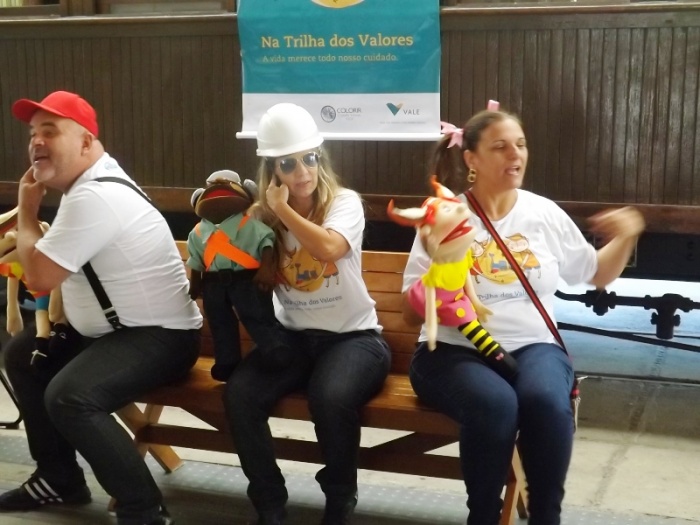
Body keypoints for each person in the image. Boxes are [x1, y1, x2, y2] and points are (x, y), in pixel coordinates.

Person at [403, 107, 645, 525]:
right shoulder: (446, 215)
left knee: (545, 402)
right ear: (472, 159)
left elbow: (595, 273)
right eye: (500, 147)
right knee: (495, 404)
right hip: (454, 351)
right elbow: (411, 312)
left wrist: (628, 233)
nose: (515, 154)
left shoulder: (542, 213)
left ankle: (545, 517)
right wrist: (438, 279)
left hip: (534, 346)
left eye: (521, 144)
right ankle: (483, 516)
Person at [0, 90, 202, 525]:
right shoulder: (86, 187)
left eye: (50, 131)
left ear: (86, 142)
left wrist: (27, 210)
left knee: (71, 397)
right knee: (22, 355)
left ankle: (143, 510)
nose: (36, 142)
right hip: (110, 332)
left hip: (161, 337)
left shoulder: (95, 196)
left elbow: (39, 277)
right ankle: (59, 478)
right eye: (32, 133)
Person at [223, 102, 391, 525]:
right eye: (288, 163)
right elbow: (227, 254)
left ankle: (339, 498)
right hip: (293, 338)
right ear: (272, 170)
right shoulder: (261, 219)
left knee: (330, 398)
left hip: (354, 339)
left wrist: (282, 210)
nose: (302, 171)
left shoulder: (344, 203)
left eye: (309, 158)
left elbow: (330, 248)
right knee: (240, 395)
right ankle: (269, 502)